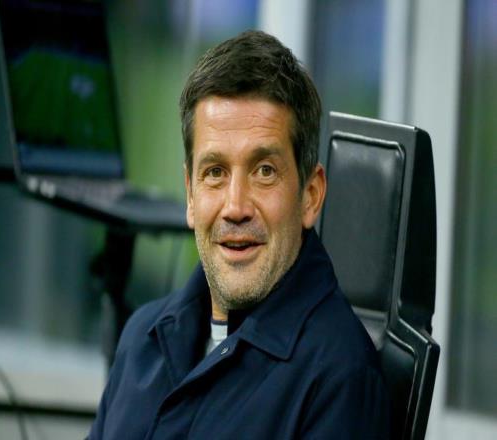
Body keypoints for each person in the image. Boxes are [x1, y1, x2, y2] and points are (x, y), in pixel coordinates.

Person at [89, 30, 390, 439]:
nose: (235, 207)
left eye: (264, 171)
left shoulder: (339, 378)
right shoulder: (142, 338)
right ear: (191, 195)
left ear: (310, 195)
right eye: (215, 172)